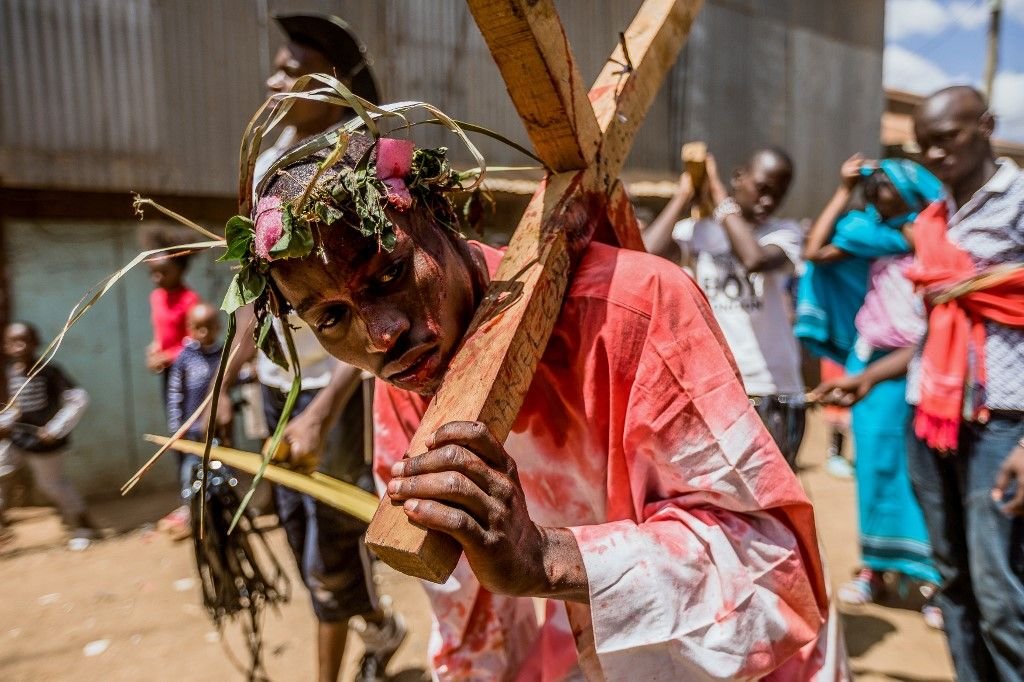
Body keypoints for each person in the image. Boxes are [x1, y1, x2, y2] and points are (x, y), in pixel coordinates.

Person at [239, 123, 831, 678]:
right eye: (332, 317)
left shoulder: (636, 310)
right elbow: (470, 619)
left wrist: (550, 558)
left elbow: (777, 578)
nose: (379, 334)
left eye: (389, 273)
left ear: (436, 216)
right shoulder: (407, 387)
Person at [217, 14, 403, 682]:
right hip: (276, 391)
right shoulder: (265, 166)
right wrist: (226, 382)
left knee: (331, 540)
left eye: (289, 71)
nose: (271, 82)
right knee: (296, 530)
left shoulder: (350, 169)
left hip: (333, 392)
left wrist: (322, 409)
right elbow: (256, 296)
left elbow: (376, 312)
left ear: (331, 86)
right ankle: (382, 627)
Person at [906, 85, 1023, 681]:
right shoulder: (934, 215)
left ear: (986, 126)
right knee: (951, 577)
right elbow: (929, 323)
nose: (934, 154)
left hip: (1004, 423)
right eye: (924, 146)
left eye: (946, 139)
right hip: (929, 411)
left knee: (1000, 589)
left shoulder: (1021, 200)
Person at [801, 155, 944, 627]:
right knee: (875, 468)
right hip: (872, 363)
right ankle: (874, 570)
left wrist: (917, 238)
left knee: (923, 473)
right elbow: (814, 251)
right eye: (871, 184)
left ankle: (933, 580)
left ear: (910, 192)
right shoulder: (865, 235)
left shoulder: (937, 240)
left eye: (883, 183)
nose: (874, 189)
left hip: (926, 365)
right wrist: (843, 189)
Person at [645, 147, 807, 468]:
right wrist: (684, 196)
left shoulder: (785, 234)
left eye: (778, 194)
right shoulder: (701, 233)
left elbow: (754, 259)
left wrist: (720, 197)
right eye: (762, 189)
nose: (768, 202)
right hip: (716, 388)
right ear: (738, 178)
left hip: (770, 390)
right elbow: (647, 252)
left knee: (768, 503)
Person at [0, 322, 95, 549]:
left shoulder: (49, 372)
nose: (19, 346)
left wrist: (56, 428)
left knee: (52, 485)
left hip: (44, 444)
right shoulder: (7, 374)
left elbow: (79, 399)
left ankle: (82, 524)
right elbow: (9, 408)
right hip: (15, 439)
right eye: (13, 342)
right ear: (5, 346)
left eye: (25, 340)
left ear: (36, 343)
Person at [163, 302, 223, 539]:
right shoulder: (185, 359)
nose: (205, 333)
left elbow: (233, 380)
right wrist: (177, 428)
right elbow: (175, 395)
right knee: (191, 474)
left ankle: (221, 518)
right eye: (199, 328)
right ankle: (194, 518)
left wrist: (251, 374)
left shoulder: (223, 355)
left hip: (218, 432)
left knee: (220, 473)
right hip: (193, 432)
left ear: (218, 327)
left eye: (210, 327)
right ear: (189, 328)